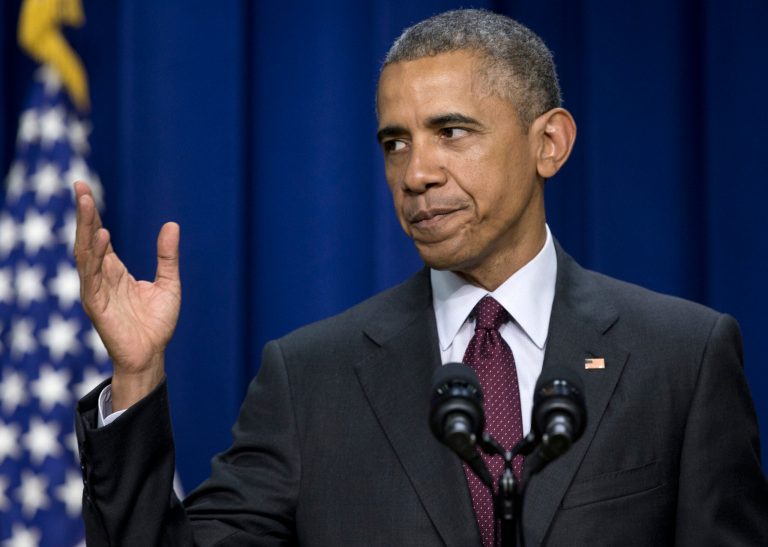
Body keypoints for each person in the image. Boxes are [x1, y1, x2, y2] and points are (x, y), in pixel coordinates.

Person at [74, 9, 768, 546]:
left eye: (452, 132)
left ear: (548, 143)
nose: (416, 173)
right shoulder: (310, 376)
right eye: (395, 142)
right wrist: (137, 376)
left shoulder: (681, 356)